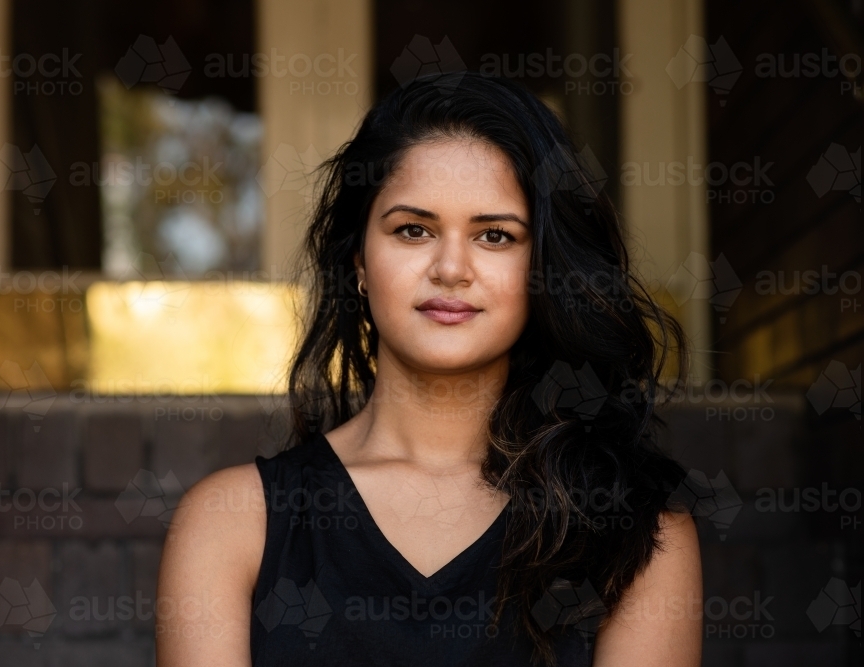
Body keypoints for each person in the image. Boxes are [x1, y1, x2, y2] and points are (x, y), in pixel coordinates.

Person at [156, 72, 703, 666]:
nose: (450, 268)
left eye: (495, 235)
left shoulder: (640, 530)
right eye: (413, 230)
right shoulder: (232, 523)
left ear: (545, 268)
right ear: (359, 260)